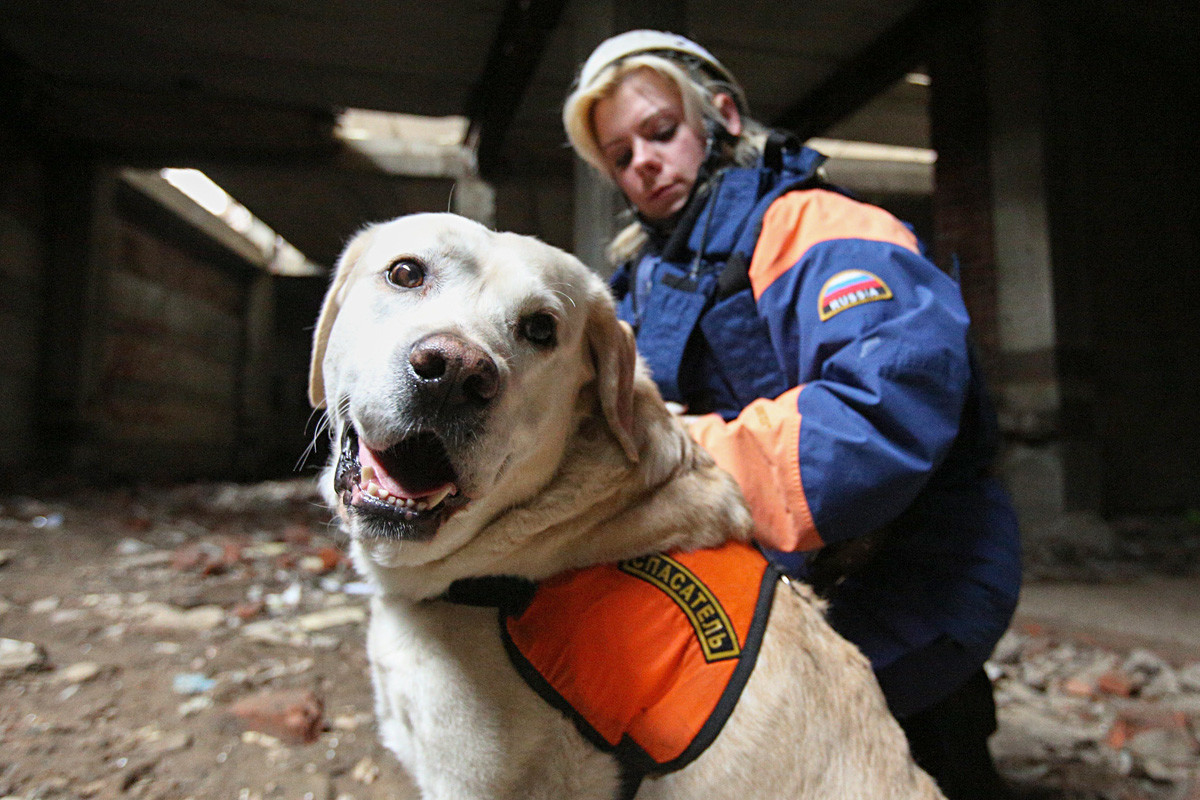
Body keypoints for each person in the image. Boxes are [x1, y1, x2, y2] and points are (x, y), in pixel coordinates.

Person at [562, 30, 1022, 800]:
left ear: (724, 117)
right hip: (782, 573)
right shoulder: (642, 279)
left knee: (899, 750)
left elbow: (884, 413)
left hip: (917, 569)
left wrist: (673, 455)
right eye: (619, 154)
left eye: (660, 131)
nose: (641, 160)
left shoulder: (817, 226)